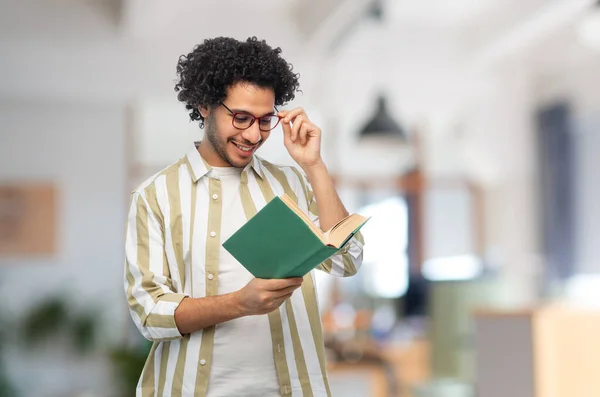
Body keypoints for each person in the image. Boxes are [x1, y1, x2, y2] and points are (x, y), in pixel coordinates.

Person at [124, 36, 364, 397]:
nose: (253, 134)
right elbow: (148, 312)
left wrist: (314, 164)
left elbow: (348, 259)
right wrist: (239, 303)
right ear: (205, 105)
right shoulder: (156, 195)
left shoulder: (292, 182)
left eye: (265, 120)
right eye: (241, 118)